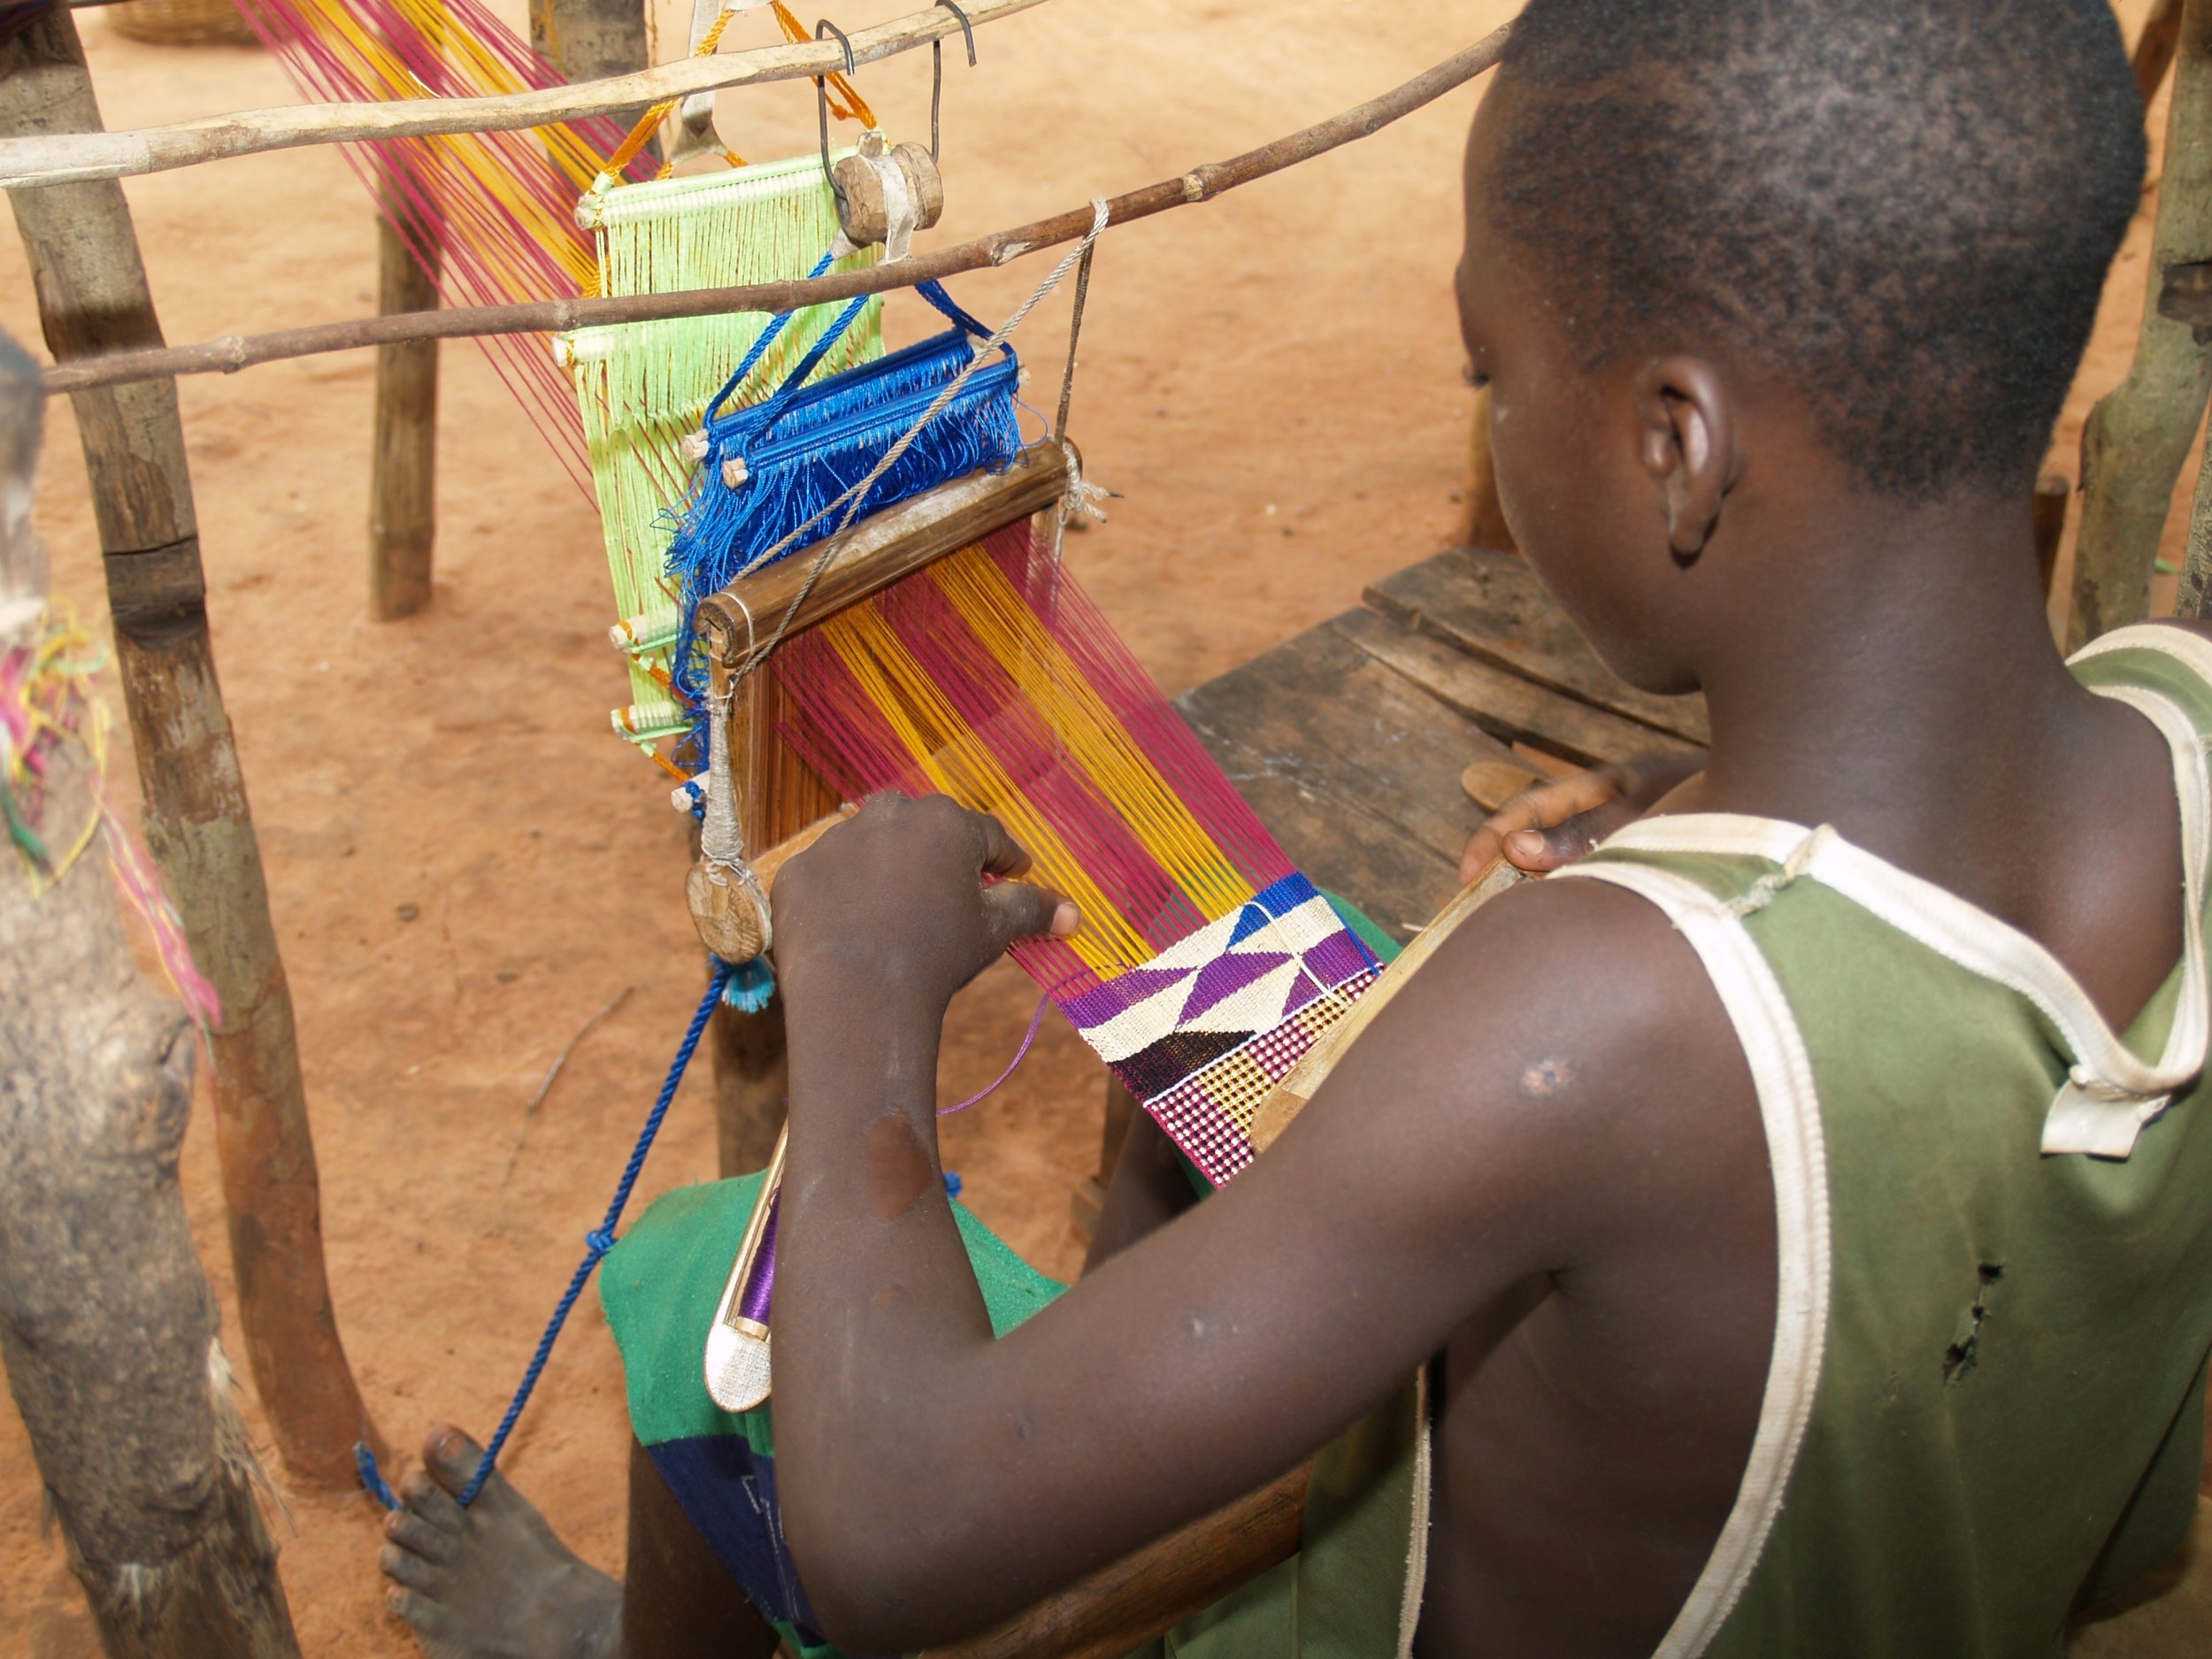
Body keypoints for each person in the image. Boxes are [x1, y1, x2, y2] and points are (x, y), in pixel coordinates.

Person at [379, 2, 2212, 1654]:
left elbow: (897, 1535)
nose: (1486, 417)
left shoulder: (1596, 1027)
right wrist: (1712, 815)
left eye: (1488, 369)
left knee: (715, 1273)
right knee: (1186, 1119)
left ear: (1673, 445)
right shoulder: (2180, 724)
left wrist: (856, 976)